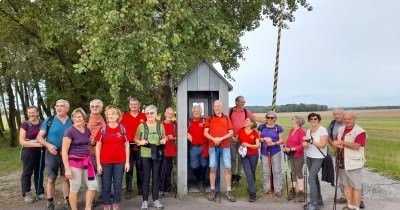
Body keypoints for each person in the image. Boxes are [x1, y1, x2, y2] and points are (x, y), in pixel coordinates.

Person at [37, 99, 73, 210]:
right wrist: (48, 145)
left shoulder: (72, 121)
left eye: (62, 106)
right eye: (57, 106)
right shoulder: (49, 120)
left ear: (67, 108)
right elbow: (39, 137)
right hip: (51, 153)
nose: (58, 108)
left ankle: (67, 200)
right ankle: (50, 202)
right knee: (51, 178)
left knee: (65, 178)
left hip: (67, 154)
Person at [95, 105, 130, 210]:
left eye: (113, 114)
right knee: (106, 183)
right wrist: (98, 164)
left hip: (120, 161)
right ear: (106, 116)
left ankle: (116, 203)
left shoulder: (122, 129)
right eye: (108, 114)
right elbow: (97, 147)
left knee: (118, 183)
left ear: (118, 116)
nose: (111, 116)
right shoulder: (103, 129)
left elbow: (127, 145)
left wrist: (127, 162)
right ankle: (106, 204)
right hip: (105, 162)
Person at [62, 108, 97, 210]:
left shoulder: (87, 130)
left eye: (79, 117)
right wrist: (67, 168)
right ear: (72, 118)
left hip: (87, 162)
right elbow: (64, 151)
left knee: (92, 185)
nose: (77, 119)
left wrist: (92, 142)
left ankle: (88, 208)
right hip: (74, 163)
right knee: (75, 187)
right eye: (75, 117)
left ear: (83, 118)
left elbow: (89, 143)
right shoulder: (69, 131)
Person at [135, 105, 168, 210]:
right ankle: (144, 201)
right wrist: (140, 142)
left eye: (151, 113)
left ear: (155, 114)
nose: (149, 115)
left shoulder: (160, 125)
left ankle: (155, 200)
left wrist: (164, 140)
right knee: (145, 178)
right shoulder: (141, 126)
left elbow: (164, 136)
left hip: (157, 154)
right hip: (145, 154)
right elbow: (135, 138)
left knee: (156, 177)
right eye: (147, 113)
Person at [333, 112, 367, 210]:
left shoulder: (360, 131)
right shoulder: (340, 130)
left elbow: (357, 146)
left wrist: (342, 142)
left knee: (356, 186)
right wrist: (337, 144)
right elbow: (335, 141)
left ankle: (356, 207)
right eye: (345, 119)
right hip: (341, 160)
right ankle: (350, 205)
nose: (347, 121)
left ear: (354, 119)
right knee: (346, 185)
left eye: (349, 119)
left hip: (354, 163)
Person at [204, 100, 235, 202]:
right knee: (212, 168)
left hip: (225, 146)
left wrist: (220, 139)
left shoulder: (226, 118)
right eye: (215, 106)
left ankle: (229, 191)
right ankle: (212, 189)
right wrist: (214, 139)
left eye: (218, 106)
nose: (217, 108)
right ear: (213, 107)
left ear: (221, 107)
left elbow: (231, 132)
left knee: (228, 168)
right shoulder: (210, 118)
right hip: (213, 147)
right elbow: (205, 133)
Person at [120, 98, 147, 199]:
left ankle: (141, 189)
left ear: (139, 105)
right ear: (129, 105)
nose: (134, 106)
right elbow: (121, 130)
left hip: (141, 145)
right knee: (129, 168)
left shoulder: (144, 116)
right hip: (128, 146)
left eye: (136, 104)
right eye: (132, 104)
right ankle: (128, 190)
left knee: (141, 168)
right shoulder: (124, 117)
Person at [302, 113, 328, 210]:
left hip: (319, 157)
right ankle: (319, 200)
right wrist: (305, 144)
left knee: (311, 178)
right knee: (315, 178)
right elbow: (307, 145)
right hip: (309, 156)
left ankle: (313, 204)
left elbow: (323, 145)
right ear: (309, 120)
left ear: (318, 120)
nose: (313, 120)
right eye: (311, 119)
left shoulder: (322, 130)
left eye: (315, 119)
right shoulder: (308, 131)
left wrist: (310, 141)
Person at [19, 106, 45, 203]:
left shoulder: (42, 123)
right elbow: (22, 141)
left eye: (33, 112)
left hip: (41, 151)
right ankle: (27, 193)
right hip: (28, 151)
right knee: (27, 172)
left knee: (39, 172)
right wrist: (38, 144)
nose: (31, 115)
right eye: (29, 113)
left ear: (38, 113)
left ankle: (40, 191)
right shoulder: (25, 124)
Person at [229, 96, 256, 184]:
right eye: (242, 102)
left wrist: (267, 121)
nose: (244, 103)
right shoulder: (230, 111)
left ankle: (239, 175)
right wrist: (231, 136)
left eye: (244, 102)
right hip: (232, 138)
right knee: (232, 157)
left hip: (242, 139)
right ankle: (233, 174)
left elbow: (254, 118)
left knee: (241, 157)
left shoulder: (245, 111)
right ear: (237, 102)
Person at [258, 111, 284, 197]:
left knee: (276, 170)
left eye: (272, 118)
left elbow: (281, 140)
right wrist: (264, 139)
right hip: (264, 151)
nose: (269, 119)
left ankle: (277, 189)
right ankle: (267, 188)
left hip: (275, 151)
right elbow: (258, 138)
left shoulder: (278, 128)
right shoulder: (261, 127)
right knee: (266, 170)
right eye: (268, 117)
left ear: (275, 119)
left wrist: (273, 143)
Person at [86, 99, 106, 202]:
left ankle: (103, 194)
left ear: (101, 108)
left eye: (96, 106)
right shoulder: (86, 118)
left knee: (103, 173)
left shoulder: (105, 119)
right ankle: (93, 198)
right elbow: (80, 133)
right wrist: (89, 140)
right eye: (92, 106)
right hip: (90, 152)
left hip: (104, 151)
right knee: (92, 175)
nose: (94, 108)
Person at [283, 115, 306, 202]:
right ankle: (293, 190)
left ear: (297, 122)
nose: (291, 121)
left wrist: (292, 149)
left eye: (293, 120)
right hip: (290, 155)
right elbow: (289, 141)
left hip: (298, 156)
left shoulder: (301, 132)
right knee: (292, 173)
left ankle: (301, 192)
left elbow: (302, 145)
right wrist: (285, 147)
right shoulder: (292, 130)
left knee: (298, 172)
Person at [237, 117, 260, 202]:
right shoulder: (240, 130)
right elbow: (236, 139)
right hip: (244, 155)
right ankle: (253, 194)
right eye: (245, 120)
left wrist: (248, 145)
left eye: (247, 120)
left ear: (251, 123)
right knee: (248, 173)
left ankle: (251, 188)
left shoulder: (255, 133)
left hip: (254, 155)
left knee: (252, 172)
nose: (245, 121)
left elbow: (257, 146)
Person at [187, 105, 208, 192]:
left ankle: (201, 183)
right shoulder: (189, 122)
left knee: (204, 165)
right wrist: (187, 134)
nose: (196, 112)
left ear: (201, 112)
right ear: (192, 112)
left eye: (198, 111)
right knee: (193, 166)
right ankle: (199, 180)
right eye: (195, 111)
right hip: (194, 148)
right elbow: (181, 129)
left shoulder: (204, 121)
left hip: (204, 146)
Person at [160, 107, 177, 195]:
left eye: (171, 114)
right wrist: (164, 138)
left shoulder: (174, 125)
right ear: (165, 114)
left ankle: (167, 187)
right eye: (168, 113)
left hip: (170, 150)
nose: (169, 115)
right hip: (162, 150)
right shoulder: (160, 124)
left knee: (168, 170)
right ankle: (160, 188)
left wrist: (173, 137)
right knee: (161, 170)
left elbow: (178, 136)